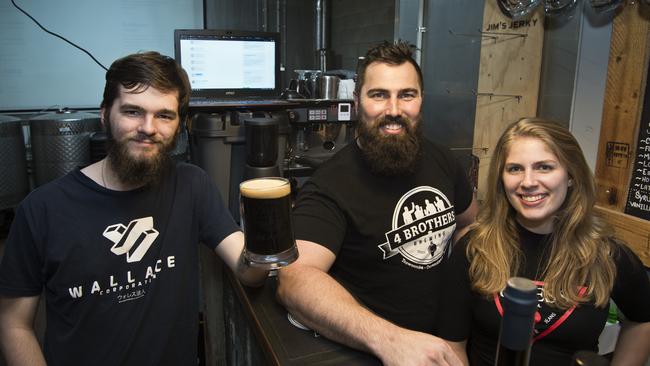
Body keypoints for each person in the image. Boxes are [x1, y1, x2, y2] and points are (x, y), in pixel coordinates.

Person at [0, 51, 268, 366]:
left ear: (178, 123)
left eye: (164, 115)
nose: (148, 127)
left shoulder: (192, 185)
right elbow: (13, 324)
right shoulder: (41, 209)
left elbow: (248, 271)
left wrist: (271, 235)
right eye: (132, 111)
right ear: (104, 115)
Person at [276, 40, 478, 366]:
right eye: (379, 94)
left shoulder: (443, 160)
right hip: (375, 352)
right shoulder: (331, 184)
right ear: (357, 102)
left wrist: (459, 319)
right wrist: (389, 339)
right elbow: (295, 279)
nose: (394, 110)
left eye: (406, 95)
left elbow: (470, 224)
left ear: (421, 100)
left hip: (447, 345)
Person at [438, 118, 650, 365]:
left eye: (544, 167)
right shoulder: (474, 248)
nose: (528, 182)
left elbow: (643, 318)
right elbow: (452, 345)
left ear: (571, 175)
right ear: (501, 179)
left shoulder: (606, 253)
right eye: (515, 168)